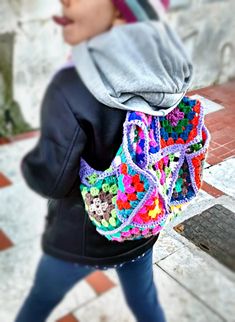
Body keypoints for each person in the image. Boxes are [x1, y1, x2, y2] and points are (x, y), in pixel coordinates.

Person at [15, 0, 193, 321]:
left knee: (39, 303)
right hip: (141, 221)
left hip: (80, 239)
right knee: (145, 301)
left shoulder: (72, 85)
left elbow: (51, 180)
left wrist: (29, 166)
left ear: (120, 9)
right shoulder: (170, 67)